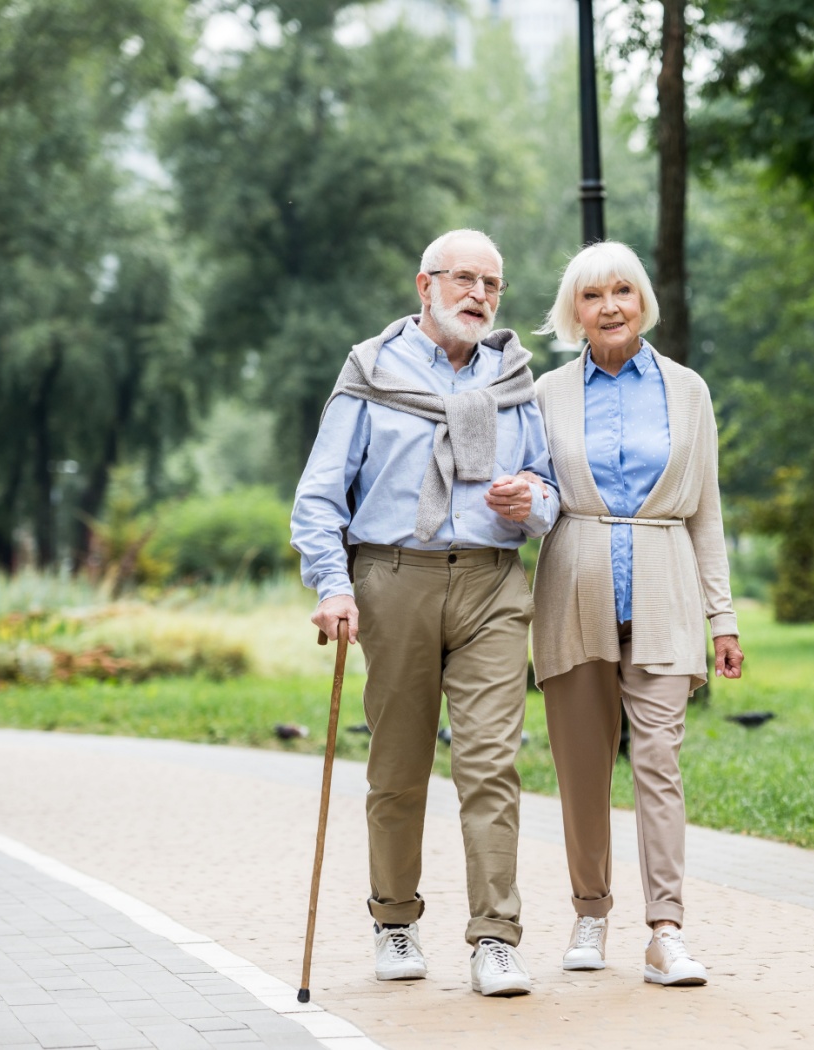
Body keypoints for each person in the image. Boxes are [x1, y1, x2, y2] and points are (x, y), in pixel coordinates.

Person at [290, 229, 556, 998]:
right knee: (399, 768)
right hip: (391, 579)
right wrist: (331, 585)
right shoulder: (372, 370)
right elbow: (319, 494)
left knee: (490, 766)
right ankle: (395, 920)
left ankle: (496, 938)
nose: (479, 295)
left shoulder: (513, 377)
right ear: (424, 284)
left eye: (492, 284)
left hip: (491, 583)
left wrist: (530, 500)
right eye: (464, 279)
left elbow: (549, 489)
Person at [528, 240, 743, 987]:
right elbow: (535, 490)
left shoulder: (689, 391)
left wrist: (724, 618)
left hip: (666, 588)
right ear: (574, 312)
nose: (610, 306)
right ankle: (590, 912)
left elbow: (706, 512)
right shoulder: (546, 392)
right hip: (573, 589)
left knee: (659, 763)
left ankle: (666, 930)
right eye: (593, 296)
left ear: (643, 299)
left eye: (622, 290)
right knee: (582, 767)